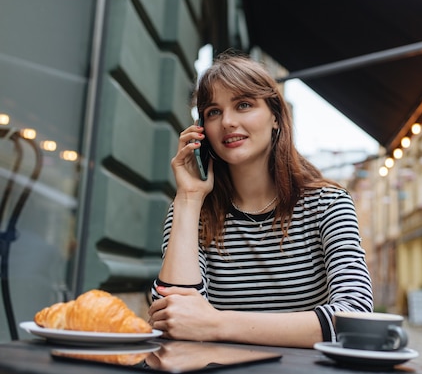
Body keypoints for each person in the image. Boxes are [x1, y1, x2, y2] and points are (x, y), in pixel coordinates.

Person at [148, 51, 373, 348]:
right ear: (203, 129)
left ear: (276, 118)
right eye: (214, 112)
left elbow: (355, 315)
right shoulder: (193, 211)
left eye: (243, 105)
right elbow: (174, 317)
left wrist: (215, 323)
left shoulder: (328, 204)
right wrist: (189, 198)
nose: (227, 121)